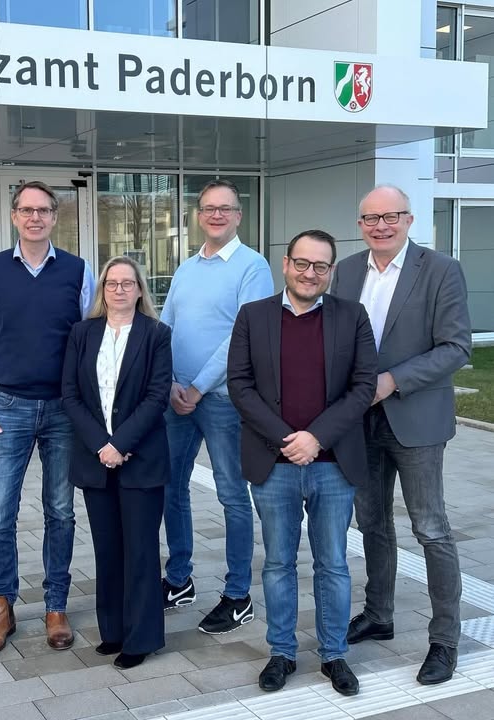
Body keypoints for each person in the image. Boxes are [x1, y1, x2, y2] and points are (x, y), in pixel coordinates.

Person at [331, 184, 472, 686]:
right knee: (371, 523)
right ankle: (379, 614)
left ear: (409, 220)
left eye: (391, 216)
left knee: (430, 527)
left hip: (415, 419)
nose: (381, 226)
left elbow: (456, 346)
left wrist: (392, 380)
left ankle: (445, 639)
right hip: (360, 422)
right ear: (360, 225)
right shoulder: (347, 271)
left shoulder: (441, 269)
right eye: (371, 218)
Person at [228, 230, 377, 696]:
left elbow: (364, 386)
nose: (310, 273)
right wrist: (286, 440)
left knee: (333, 563)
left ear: (331, 271)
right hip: (273, 465)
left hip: (334, 464)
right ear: (286, 264)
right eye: (302, 263)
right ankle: (282, 653)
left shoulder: (352, 316)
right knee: (277, 563)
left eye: (320, 266)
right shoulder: (253, 316)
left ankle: (334, 654)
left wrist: (317, 438)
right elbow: (239, 385)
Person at [0, 180, 95, 655]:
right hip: (9, 408)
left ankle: (56, 605)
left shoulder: (78, 270)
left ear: (55, 217)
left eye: (43, 210)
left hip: (64, 409)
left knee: (60, 510)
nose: (35, 217)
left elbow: (91, 341)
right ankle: (3, 606)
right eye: (26, 210)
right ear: (14, 216)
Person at [161, 179, 273, 633]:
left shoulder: (253, 266)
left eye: (225, 208)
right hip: (177, 398)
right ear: (198, 214)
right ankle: (179, 580)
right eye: (208, 208)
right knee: (170, 488)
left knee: (231, 496)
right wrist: (170, 382)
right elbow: (166, 327)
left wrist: (198, 387)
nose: (216, 215)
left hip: (224, 401)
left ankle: (238, 595)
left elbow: (244, 337)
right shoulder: (186, 268)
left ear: (238, 216)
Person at [62, 257, 172, 670]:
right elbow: (70, 394)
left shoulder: (156, 334)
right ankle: (113, 631)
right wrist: (101, 445)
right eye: (112, 283)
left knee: (140, 551)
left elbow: (157, 396)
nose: (120, 290)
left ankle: (141, 638)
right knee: (107, 550)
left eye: (128, 283)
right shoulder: (82, 333)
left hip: (140, 458)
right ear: (103, 290)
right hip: (96, 460)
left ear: (140, 290)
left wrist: (121, 444)